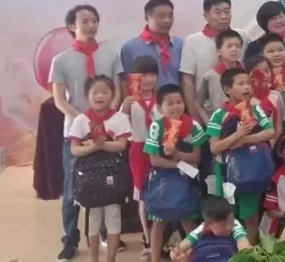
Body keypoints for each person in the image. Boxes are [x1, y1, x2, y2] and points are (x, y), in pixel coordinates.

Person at [49, 4, 123, 262]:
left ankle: (105, 233)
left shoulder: (111, 55)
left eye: (94, 20)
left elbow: (117, 92)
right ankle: (70, 239)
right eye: (85, 21)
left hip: (107, 131)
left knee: (107, 182)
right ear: (72, 26)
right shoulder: (61, 60)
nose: (91, 26)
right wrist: (85, 122)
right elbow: (59, 99)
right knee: (73, 188)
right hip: (76, 133)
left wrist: (107, 120)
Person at [206, 68, 277, 243]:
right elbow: (215, 148)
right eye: (241, 84)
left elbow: (270, 132)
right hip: (225, 173)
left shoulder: (256, 109)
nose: (247, 87)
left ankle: (249, 253)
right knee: (227, 216)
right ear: (228, 89)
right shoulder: (219, 115)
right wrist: (237, 135)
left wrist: (245, 138)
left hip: (252, 171)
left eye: (248, 83)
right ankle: (230, 250)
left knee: (250, 217)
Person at [68, 77, 131, 262]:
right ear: (87, 95)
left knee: (113, 217)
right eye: (95, 92)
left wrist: (99, 145)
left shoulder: (120, 118)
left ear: (113, 95)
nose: (99, 96)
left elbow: (122, 145)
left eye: (104, 92)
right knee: (93, 220)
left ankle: (111, 259)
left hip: (113, 178)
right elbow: (74, 149)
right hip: (89, 180)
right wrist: (95, 147)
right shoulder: (81, 120)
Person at [145, 83, 206, 262]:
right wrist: (179, 165)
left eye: (179, 102)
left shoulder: (193, 125)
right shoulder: (156, 127)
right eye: (170, 104)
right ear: (159, 108)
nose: (176, 107)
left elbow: (196, 156)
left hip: (186, 179)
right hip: (162, 180)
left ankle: (195, 258)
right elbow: (154, 160)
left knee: (188, 220)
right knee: (159, 222)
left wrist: (177, 154)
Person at [180, 0, 252, 125]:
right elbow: (187, 80)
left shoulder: (242, 36)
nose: (223, 16)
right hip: (208, 114)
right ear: (206, 15)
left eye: (227, 11)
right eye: (217, 12)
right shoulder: (193, 41)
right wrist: (195, 118)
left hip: (243, 112)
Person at [120, 56, 160, 258]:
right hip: (138, 150)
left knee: (160, 190)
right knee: (142, 196)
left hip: (159, 149)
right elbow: (119, 127)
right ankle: (146, 238)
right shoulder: (130, 101)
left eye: (152, 74)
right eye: (143, 75)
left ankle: (161, 236)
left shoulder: (161, 100)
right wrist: (124, 110)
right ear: (134, 78)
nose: (148, 79)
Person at [120, 0, 183, 89]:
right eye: (161, 16)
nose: (167, 20)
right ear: (147, 18)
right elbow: (126, 81)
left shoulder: (180, 45)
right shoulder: (130, 48)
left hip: (175, 97)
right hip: (145, 97)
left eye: (170, 16)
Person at [168, 196, 252, 261]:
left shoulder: (235, 224)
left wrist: (246, 255)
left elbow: (244, 246)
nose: (229, 227)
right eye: (223, 225)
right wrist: (176, 255)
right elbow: (179, 249)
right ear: (208, 225)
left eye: (231, 221)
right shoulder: (201, 229)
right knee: (187, 253)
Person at [245, 1, 285, 65]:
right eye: (273, 18)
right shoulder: (254, 47)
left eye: (281, 16)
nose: (278, 21)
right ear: (264, 22)